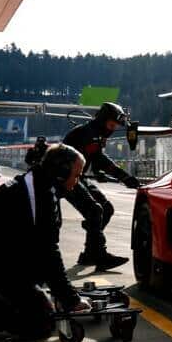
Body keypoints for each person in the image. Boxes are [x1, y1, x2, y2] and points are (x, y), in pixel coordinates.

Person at [0, 144, 91, 339]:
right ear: (61, 173)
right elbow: (48, 252)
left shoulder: (38, 185)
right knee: (40, 322)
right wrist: (70, 299)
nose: (77, 182)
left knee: (39, 291)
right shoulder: (34, 194)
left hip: (2, 261)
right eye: (76, 176)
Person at [63, 102, 140, 271]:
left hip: (78, 176)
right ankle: (99, 254)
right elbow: (100, 160)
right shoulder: (87, 134)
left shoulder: (95, 134)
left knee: (107, 209)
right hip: (66, 178)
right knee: (95, 211)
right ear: (102, 120)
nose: (112, 129)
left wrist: (120, 176)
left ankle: (90, 252)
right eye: (111, 125)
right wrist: (124, 177)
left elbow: (96, 158)